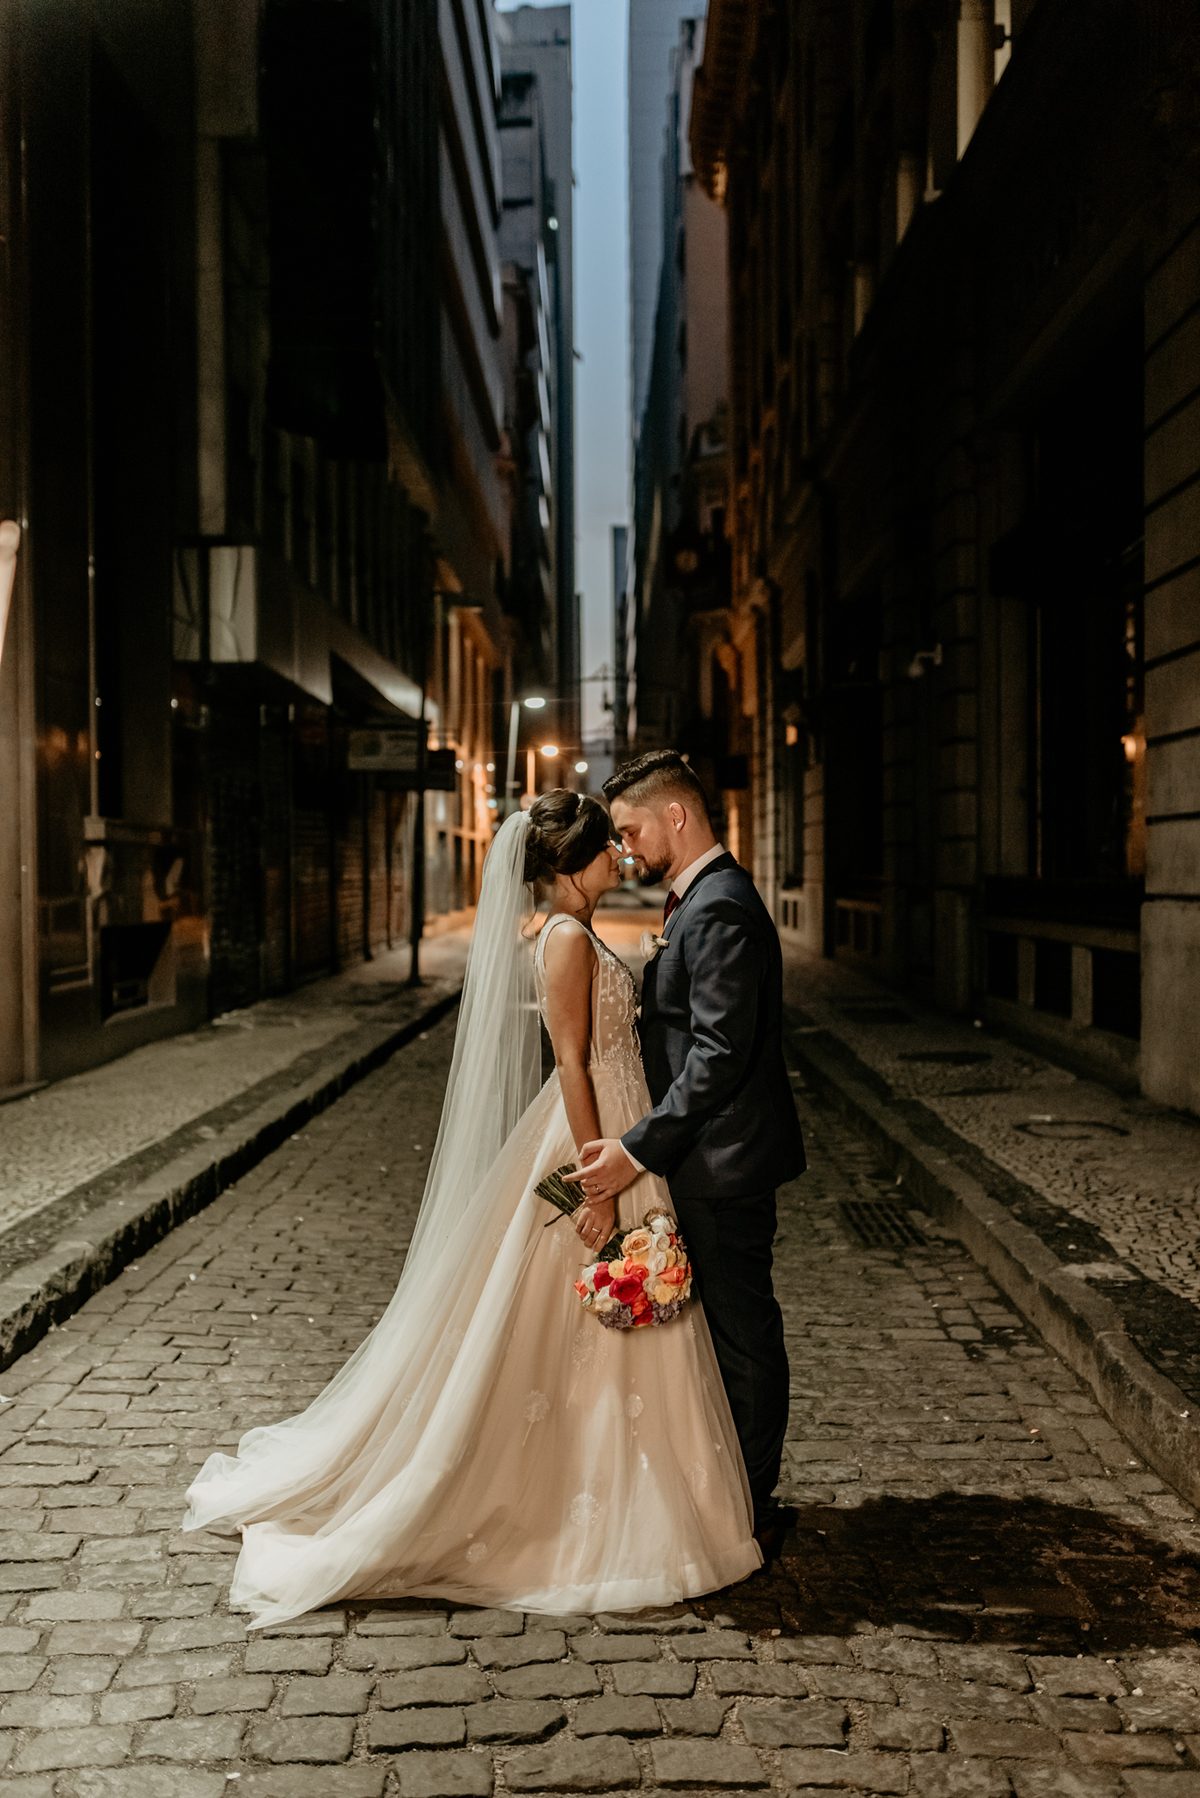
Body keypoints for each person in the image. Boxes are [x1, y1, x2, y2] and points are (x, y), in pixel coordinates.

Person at [183, 792, 760, 1626]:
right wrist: (597, 1180)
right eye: (608, 850)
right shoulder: (563, 940)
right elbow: (569, 1066)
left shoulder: (578, 931)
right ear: (571, 865)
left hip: (626, 1133)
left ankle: (641, 1495)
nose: (620, 860)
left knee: (625, 1317)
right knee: (584, 1314)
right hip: (590, 1138)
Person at [568, 752, 805, 1558]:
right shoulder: (702, 899)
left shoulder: (720, 908)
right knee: (725, 1334)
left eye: (631, 828)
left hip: (723, 1161)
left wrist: (637, 1147)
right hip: (705, 1156)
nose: (626, 847)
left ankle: (750, 1509)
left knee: (742, 1335)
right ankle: (734, 1497)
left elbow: (718, 1056)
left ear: (676, 816)